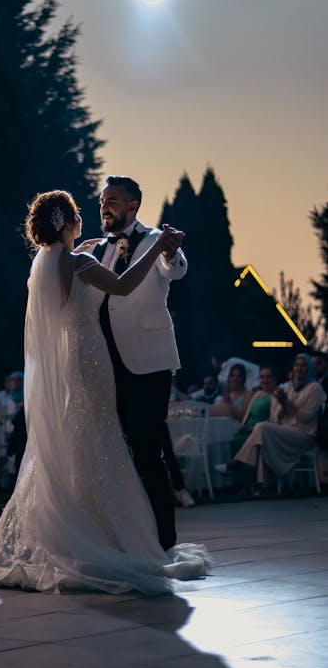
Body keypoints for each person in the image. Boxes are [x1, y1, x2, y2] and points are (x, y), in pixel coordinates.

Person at [0, 190, 209, 593]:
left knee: (85, 443)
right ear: (70, 223)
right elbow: (124, 286)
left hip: (79, 360)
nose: (98, 212)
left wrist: (144, 249)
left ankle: (85, 529)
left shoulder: (45, 263)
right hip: (94, 360)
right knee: (100, 441)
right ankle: (110, 536)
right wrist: (148, 249)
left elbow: (164, 271)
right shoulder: (79, 260)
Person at [91, 176, 194, 523]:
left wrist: (170, 249)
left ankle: (164, 536)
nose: (105, 205)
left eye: (113, 200)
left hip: (148, 362)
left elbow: (175, 269)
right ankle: (128, 528)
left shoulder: (153, 239)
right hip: (104, 363)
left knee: (148, 448)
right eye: (103, 199)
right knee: (114, 449)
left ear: (132, 205)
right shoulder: (97, 248)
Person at [216, 354, 325, 489]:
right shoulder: (289, 388)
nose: (299, 368)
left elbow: (306, 417)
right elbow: (279, 418)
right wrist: (283, 406)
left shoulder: (315, 388)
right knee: (262, 437)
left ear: (309, 368)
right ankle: (261, 484)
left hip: (305, 434)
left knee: (261, 428)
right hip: (287, 430)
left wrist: (287, 403)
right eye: (296, 365)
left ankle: (235, 463)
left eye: (303, 365)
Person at [229, 364, 278, 457]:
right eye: (262, 377)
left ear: (275, 379)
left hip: (258, 432)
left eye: (268, 377)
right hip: (244, 430)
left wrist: (249, 429)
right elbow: (247, 414)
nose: (265, 380)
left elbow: (273, 420)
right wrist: (243, 426)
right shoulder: (257, 394)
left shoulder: (275, 396)